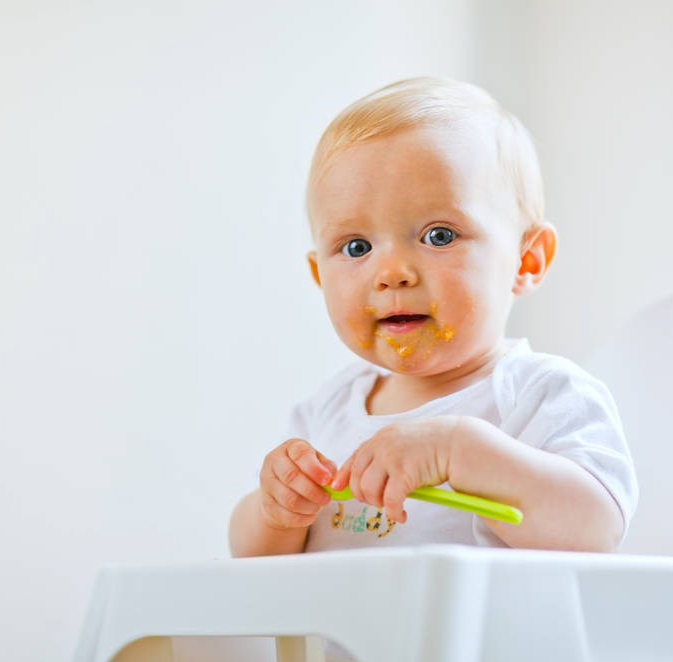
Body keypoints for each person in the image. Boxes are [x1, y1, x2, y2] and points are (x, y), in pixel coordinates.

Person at [228, 76, 637, 558]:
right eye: (356, 247)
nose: (392, 273)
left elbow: (597, 529)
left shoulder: (540, 394)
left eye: (439, 235)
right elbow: (255, 564)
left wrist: (460, 450)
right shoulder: (327, 412)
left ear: (527, 260)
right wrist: (274, 513)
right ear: (320, 274)